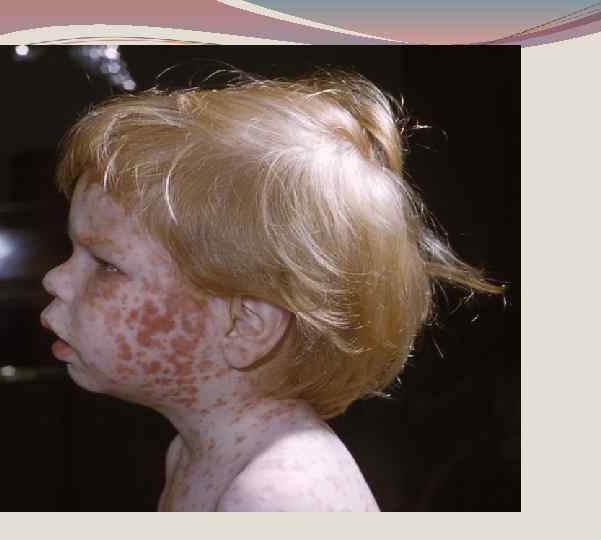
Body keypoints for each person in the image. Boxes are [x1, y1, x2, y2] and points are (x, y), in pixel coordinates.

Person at [40, 69, 502, 512]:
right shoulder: (193, 452)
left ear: (245, 325)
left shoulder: (273, 494)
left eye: (107, 265)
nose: (54, 280)